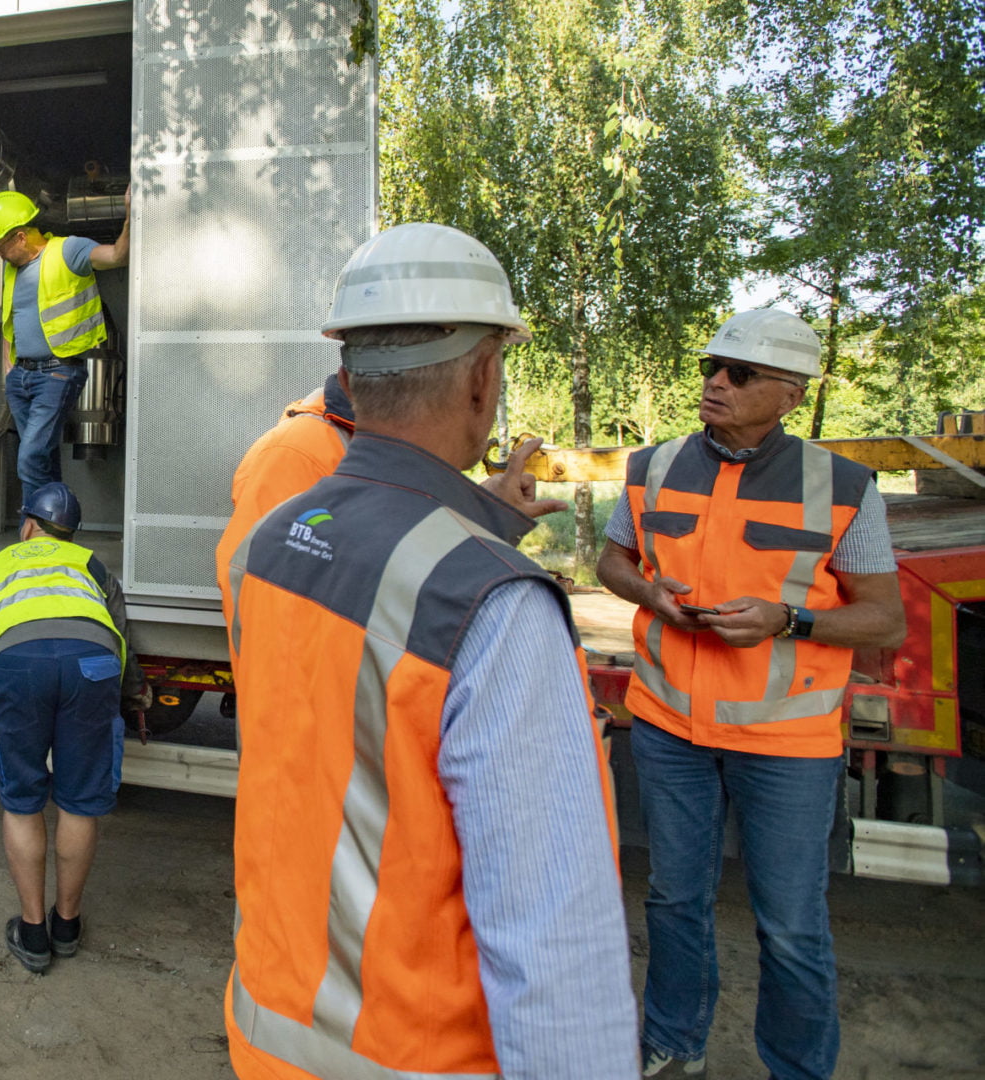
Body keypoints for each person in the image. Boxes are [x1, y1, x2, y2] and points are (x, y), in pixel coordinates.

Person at [223, 223, 637, 1080]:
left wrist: (483, 517)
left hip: (269, 1040)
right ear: (484, 377)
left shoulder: (272, 539)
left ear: (349, 374)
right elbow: (553, 962)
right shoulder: (495, 608)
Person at [596, 309, 905, 1080]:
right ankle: (674, 1044)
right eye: (711, 367)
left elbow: (885, 619)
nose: (715, 383)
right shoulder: (651, 467)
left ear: (791, 394)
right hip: (670, 727)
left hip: (786, 744)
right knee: (673, 901)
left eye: (739, 373)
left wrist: (788, 619)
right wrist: (651, 594)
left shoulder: (844, 487)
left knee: (793, 926)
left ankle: (798, 1068)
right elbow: (611, 563)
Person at [214, 372, 566, 627]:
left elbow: (403, 555)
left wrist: (486, 511)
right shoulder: (298, 451)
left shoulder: (392, 448)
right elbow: (257, 595)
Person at [0, 481, 151, 974]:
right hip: (90, 663)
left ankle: (33, 933)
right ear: (71, 533)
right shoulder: (90, 563)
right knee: (78, 801)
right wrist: (134, 691)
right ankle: (67, 925)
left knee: (23, 801)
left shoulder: (0, 563)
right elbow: (120, 629)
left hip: (17, 663)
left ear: (28, 524)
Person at [0, 189, 131, 505]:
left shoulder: (68, 251)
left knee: (30, 457)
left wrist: (130, 212)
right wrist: (10, 369)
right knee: (42, 461)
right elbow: (13, 317)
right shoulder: (12, 269)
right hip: (21, 378)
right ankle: (55, 532)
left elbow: (118, 255)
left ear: (20, 237)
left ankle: (33, 538)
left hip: (58, 373)